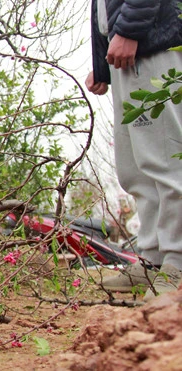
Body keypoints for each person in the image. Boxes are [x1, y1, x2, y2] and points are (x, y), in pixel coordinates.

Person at [86, 0, 182, 300]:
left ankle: (177, 261)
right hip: (130, 50)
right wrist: (102, 64)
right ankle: (154, 260)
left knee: (166, 160)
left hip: (154, 44)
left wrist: (129, 30)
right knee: (135, 168)